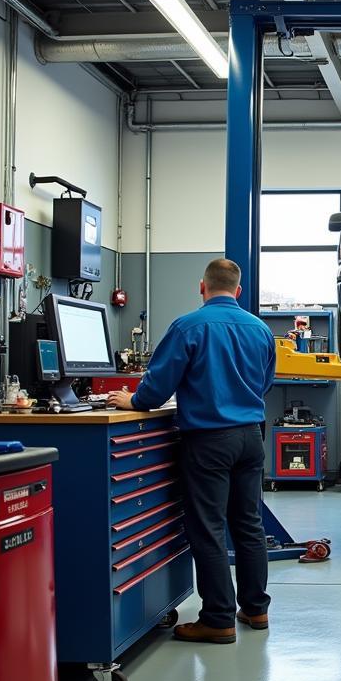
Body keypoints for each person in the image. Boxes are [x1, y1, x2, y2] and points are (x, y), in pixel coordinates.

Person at [109, 258, 276, 644]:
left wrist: (131, 400)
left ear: (202, 287)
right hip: (251, 436)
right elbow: (265, 382)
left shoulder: (188, 326)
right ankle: (256, 609)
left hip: (208, 441)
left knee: (209, 528)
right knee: (249, 524)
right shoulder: (261, 329)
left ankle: (218, 619)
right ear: (238, 291)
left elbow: (156, 388)